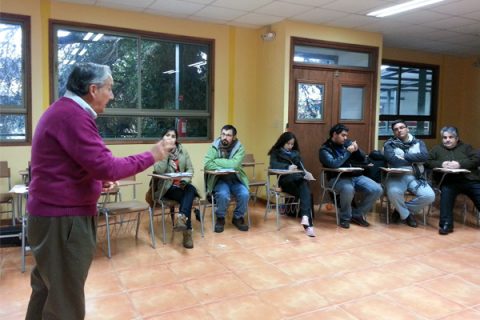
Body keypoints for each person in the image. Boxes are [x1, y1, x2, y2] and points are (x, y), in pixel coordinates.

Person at [25, 63, 173, 320]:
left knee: (48, 291)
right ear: (93, 89)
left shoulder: (65, 112)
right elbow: (107, 165)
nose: (112, 95)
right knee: (65, 302)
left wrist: (97, 181)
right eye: (110, 88)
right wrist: (153, 154)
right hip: (63, 221)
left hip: (52, 216)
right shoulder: (73, 116)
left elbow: (78, 164)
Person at [319, 124, 383, 229]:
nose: (345, 138)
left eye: (346, 135)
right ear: (334, 134)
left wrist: (357, 150)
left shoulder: (347, 144)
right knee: (348, 189)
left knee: (377, 189)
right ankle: (345, 218)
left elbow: (364, 159)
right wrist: (348, 152)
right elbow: (334, 164)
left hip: (355, 176)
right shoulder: (325, 149)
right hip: (337, 178)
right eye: (343, 135)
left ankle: (357, 214)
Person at [427, 126, 480, 235]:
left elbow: (476, 159)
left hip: (469, 180)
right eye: (445, 137)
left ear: (457, 138)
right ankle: (446, 225)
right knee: (446, 197)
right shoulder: (437, 149)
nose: (447, 140)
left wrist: (459, 164)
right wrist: (441, 164)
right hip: (449, 181)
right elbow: (427, 161)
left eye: (451, 137)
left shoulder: (466, 147)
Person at [383, 120, 435, 228]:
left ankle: (400, 210)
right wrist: (415, 159)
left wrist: (405, 156)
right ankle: (407, 216)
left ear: (407, 129)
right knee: (393, 192)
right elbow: (393, 160)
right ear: (393, 133)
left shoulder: (419, 142)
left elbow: (425, 157)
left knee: (429, 196)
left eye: (401, 127)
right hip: (396, 176)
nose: (399, 130)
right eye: (396, 129)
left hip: (415, 177)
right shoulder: (389, 144)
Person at [152, 128, 198, 248]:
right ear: (163, 138)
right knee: (188, 195)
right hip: (168, 188)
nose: (170, 138)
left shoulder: (182, 150)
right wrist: (166, 153)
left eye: (173, 136)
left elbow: (190, 169)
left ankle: (181, 217)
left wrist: (184, 180)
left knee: (191, 189)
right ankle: (187, 233)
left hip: (182, 185)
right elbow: (159, 170)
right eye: (167, 135)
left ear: (176, 139)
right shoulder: (158, 151)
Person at [204, 124, 250, 233]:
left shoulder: (240, 148)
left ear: (233, 137)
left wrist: (216, 161)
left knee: (245, 194)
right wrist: (228, 164)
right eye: (223, 134)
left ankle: (237, 218)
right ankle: (220, 218)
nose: (225, 137)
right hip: (219, 179)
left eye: (228, 135)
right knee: (223, 194)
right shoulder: (214, 147)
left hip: (235, 179)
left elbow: (235, 165)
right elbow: (207, 164)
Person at [268, 132, 316, 237]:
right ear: (282, 142)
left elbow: (301, 167)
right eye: (288, 144)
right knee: (306, 192)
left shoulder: (295, 153)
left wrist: (306, 173)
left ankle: (306, 221)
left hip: (298, 181)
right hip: (285, 182)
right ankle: (308, 223)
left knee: (305, 189)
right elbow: (273, 165)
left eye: (292, 144)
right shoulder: (275, 152)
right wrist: (287, 167)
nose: (290, 146)